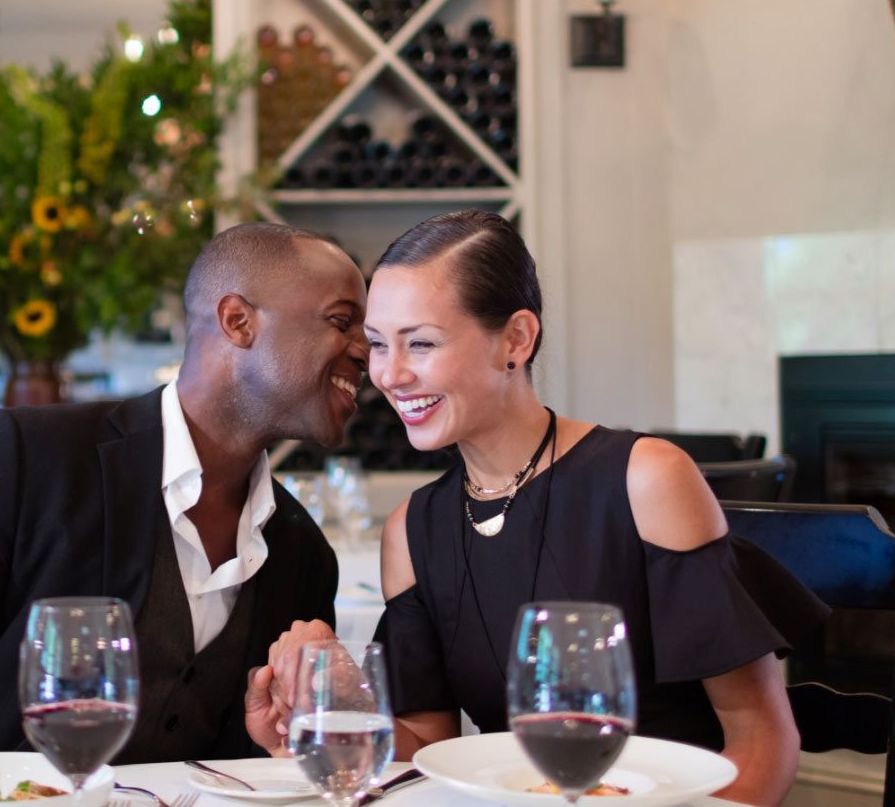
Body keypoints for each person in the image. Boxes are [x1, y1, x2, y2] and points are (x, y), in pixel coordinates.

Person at [252, 210, 828, 806]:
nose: (390, 375)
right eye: (376, 345)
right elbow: (427, 745)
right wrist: (326, 712)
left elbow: (761, 739)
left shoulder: (646, 480)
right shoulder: (412, 532)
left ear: (517, 340)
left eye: (420, 343)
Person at [0, 222, 369, 762]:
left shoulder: (302, 552)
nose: (366, 352)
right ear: (237, 321)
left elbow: (243, 764)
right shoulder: (27, 460)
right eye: (342, 321)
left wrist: (284, 743)